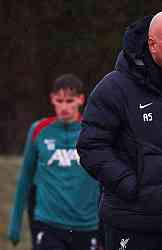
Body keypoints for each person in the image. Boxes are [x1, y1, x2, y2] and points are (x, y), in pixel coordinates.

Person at [76, 10, 162, 250]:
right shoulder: (114, 88)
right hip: (131, 227)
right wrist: (131, 185)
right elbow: (91, 146)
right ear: (152, 44)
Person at [8, 74, 101, 250]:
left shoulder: (93, 132)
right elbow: (25, 179)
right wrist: (15, 223)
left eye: (69, 101)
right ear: (52, 99)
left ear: (81, 100)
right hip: (48, 224)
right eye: (59, 101)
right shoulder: (39, 131)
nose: (64, 107)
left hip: (87, 226)